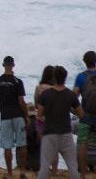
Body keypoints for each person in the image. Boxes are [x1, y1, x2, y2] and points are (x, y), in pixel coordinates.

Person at [36, 66, 83, 179]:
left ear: (54, 77)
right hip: (66, 133)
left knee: (44, 166)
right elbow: (81, 114)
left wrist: (40, 131)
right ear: (65, 78)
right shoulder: (70, 94)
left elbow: (39, 116)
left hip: (49, 133)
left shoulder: (46, 94)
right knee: (72, 165)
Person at [0, 56, 29, 179]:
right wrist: (26, 115)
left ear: (3, 65)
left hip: (5, 116)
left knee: (7, 146)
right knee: (22, 144)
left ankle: (9, 173)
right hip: (18, 115)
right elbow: (21, 101)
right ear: (13, 65)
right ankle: (22, 171)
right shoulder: (18, 82)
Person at [73, 51, 96, 179]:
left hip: (85, 117)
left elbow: (73, 96)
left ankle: (82, 174)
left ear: (84, 62)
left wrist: (77, 111)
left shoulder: (81, 77)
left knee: (82, 144)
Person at [33, 65, 58, 174]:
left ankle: (45, 169)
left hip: (41, 119)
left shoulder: (39, 88)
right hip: (53, 120)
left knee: (44, 146)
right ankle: (54, 170)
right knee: (54, 147)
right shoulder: (56, 88)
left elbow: (36, 104)